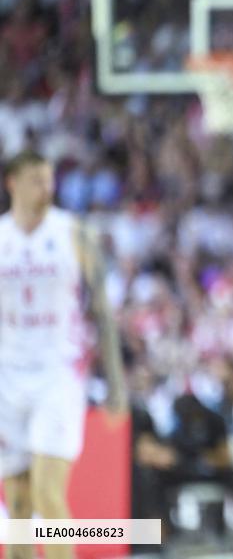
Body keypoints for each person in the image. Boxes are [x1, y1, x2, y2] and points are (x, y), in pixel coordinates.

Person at [0, 150, 128, 559]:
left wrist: (116, 385)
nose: (47, 188)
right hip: (7, 376)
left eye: (50, 179)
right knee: (18, 505)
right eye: (37, 180)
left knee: (47, 494)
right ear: (12, 184)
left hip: (58, 374)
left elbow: (103, 313)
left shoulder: (75, 232)